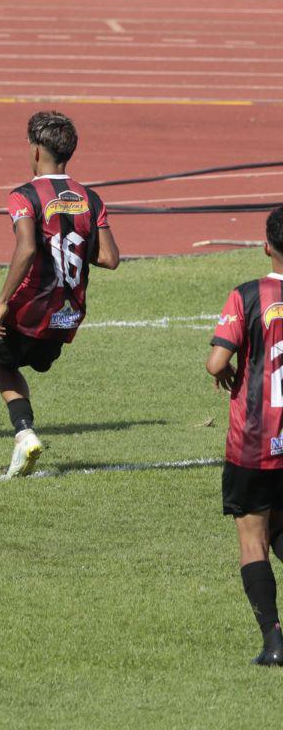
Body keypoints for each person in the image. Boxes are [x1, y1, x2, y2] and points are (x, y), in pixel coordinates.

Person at [0, 111, 119, 478]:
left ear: (35, 150)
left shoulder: (25, 195)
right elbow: (110, 258)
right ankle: (24, 435)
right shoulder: (90, 198)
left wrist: (2, 303)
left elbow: (27, 248)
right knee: (5, 362)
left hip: (29, 307)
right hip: (66, 316)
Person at [206, 206, 283, 666]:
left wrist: (230, 366)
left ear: (267, 246)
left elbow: (217, 363)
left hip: (255, 441)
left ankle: (274, 642)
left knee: (253, 539)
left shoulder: (248, 294)